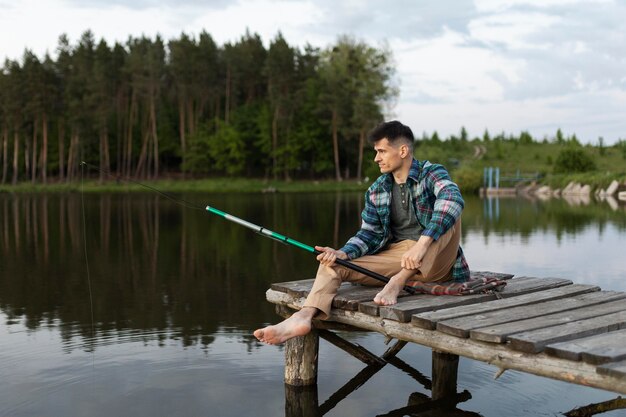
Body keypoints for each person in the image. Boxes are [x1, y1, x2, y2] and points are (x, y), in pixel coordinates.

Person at [254, 120, 469, 345]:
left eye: (382, 151)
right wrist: (343, 253)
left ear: (403, 151)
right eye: (376, 152)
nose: (376, 158)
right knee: (332, 264)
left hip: (438, 260)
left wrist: (422, 244)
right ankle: (304, 315)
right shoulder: (377, 190)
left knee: (449, 213)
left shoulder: (431, 173)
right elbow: (369, 234)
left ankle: (398, 281)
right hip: (398, 255)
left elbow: (452, 198)